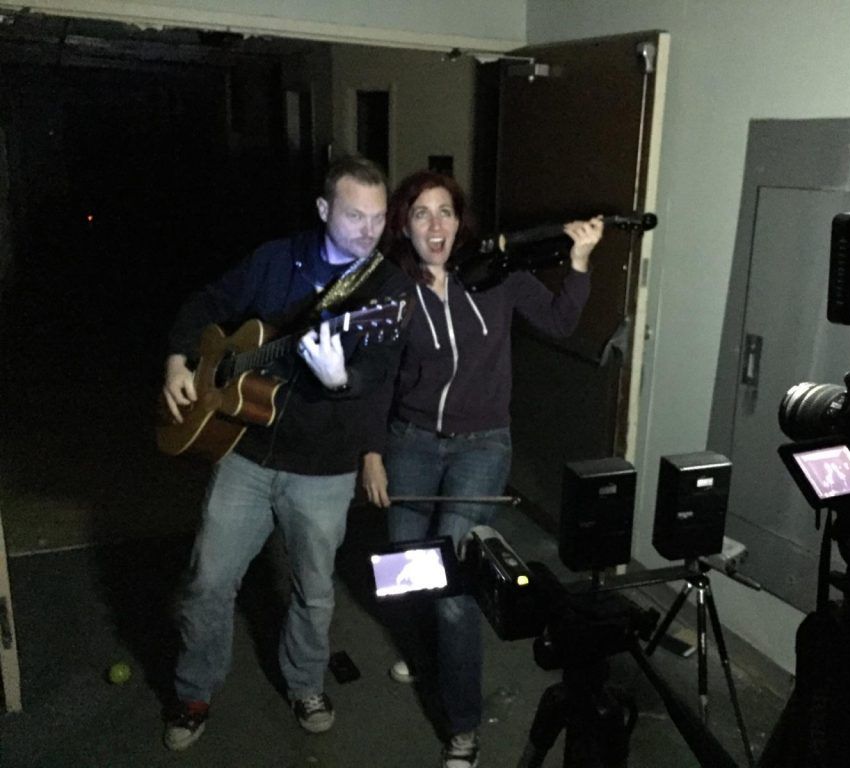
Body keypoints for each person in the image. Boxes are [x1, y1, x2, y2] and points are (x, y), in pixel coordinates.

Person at [160, 155, 411, 751]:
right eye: (354, 216)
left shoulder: (387, 291)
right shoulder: (276, 259)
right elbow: (207, 302)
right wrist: (177, 358)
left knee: (314, 589)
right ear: (324, 210)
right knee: (207, 581)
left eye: (379, 219)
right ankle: (194, 692)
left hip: (323, 468)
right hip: (243, 455)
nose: (368, 231)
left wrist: (337, 379)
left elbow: (379, 371)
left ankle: (305, 683)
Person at [362, 170, 603, 768]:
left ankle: (463, 726)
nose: (435, 225)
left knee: (453, 590)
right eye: (421, 213)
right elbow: (377, 380)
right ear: (405, 226)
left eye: (445, 211)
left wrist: (579, 262)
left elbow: (559, 321)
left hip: (481, 446)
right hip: (411, 441)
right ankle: (428, 661)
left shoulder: (496, 277)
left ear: (460, 221)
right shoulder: (393, 290)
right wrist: (371, 452)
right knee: (405, 574)